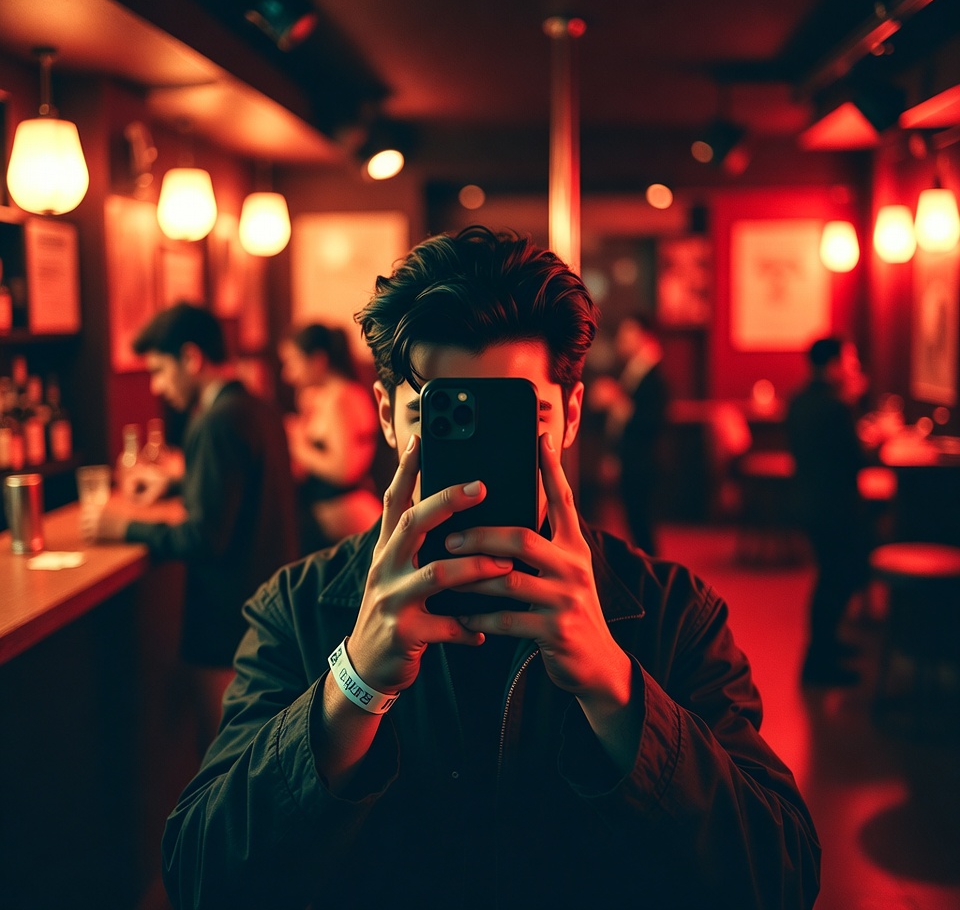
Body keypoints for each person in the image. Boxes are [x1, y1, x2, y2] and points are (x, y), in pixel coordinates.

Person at [161, 228, 819, 909]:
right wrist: (353, 684)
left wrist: (617, 689)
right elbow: (202, 878)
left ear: (570, 418)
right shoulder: (298, 610)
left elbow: (780, 878)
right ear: (387, 418)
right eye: (436, 416)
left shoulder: (675, 612)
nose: (477, 460)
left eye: (521, 415)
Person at [80, 302, 299, 747]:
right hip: (265, 605)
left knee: (225, 759)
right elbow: (244, 493)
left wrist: (122, 528)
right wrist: (181, 483)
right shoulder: (256, 407)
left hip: (227, 625)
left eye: (160, 371)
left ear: (191, 358)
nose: (158, 386)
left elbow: (205, 536)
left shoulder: (215, 422)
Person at [786, 335, 871, 687]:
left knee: (830, 575)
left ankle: (826, 647)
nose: (852, 368)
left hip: (808, 500)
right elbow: (856, 460)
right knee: (841, 575)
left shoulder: (799, 400)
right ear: (834, 365)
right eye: (849, 361)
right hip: (836, 506)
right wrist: (853, 403)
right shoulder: (836, 406)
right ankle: (819, 661)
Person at [278, 322, 382, 552]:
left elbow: (344, 469)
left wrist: (295, 444)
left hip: (343, 515)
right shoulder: (330, 395)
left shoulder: (341, 398)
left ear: (318, 360)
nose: (287, 374)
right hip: (334, 514)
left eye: (292, 362)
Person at [590, 311, 669, 553]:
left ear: (643, 336)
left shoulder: (654, 374)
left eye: (627, 334)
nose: (621, 340)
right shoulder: (634, 371)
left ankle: (651, 582)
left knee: (641, 526)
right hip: (632, 460)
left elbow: (651, 421)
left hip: (642, 461)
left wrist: (617, 401)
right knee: (635, 524)